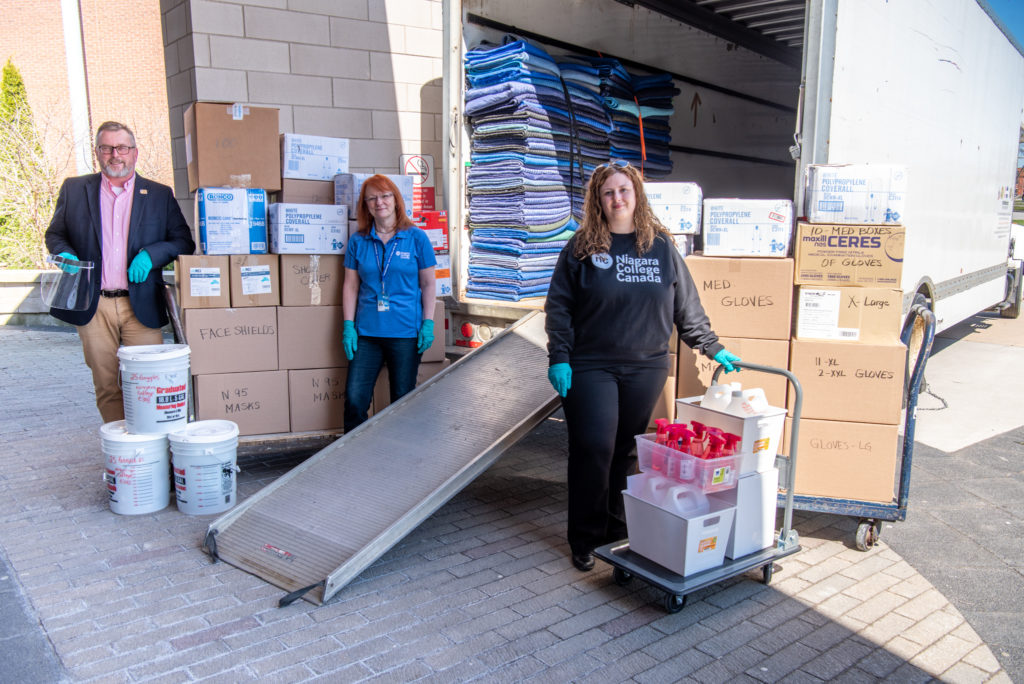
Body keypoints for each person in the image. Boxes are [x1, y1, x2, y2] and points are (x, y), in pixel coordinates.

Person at [544, 160, 741, 572]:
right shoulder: (581, 248)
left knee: (625, 450)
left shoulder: (661, 247)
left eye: (624, 190)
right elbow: (559, 306)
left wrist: (711, 346)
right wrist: (559, 356)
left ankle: (617, 533)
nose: (617, 198)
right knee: (593, 448)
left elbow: (685, 305)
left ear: (636, 195)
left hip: (646, 367)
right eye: (608, 192)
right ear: (598, 200)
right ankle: (585, 538)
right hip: (591, 365)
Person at [45, 121, 195, 423]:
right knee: (106, 384)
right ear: (97, 153)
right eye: (107, 148)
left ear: (134, 153)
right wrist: (65, 254)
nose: (115, 154)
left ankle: (152, 443)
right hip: (94, 304)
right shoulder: (75, 190)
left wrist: (152, 255)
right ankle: (122, 445)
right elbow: (55, 234)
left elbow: (183, 241)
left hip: (140, 304)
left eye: (122, 148)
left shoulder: (159, 194)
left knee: (149, 382)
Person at [342, 175, 437, 432]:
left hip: (405, 333)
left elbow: (429, 284)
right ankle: (353, 451)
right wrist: (348, 326)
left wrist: (428, 323)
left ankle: (400, 451)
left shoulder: (416, 238)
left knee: (402, 400)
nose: (379, 202)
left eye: (385, 196)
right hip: (366, 333)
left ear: (396, 200)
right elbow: (351, 286)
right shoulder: (358, 241)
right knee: (354, 399)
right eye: (372, 198)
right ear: (365, 205)